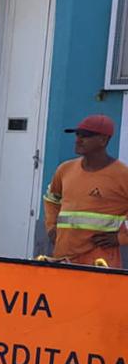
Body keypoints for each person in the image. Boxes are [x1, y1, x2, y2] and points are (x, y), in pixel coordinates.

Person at [43, 114, 128, 267]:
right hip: (64, 258)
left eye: (86, 136)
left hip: (100, 263)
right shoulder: (65, 169)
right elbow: (52, 199)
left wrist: (121, 238)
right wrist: (51, 228)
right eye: (77, 134)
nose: (78, 140)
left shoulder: (122, 175)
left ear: (103, 140)